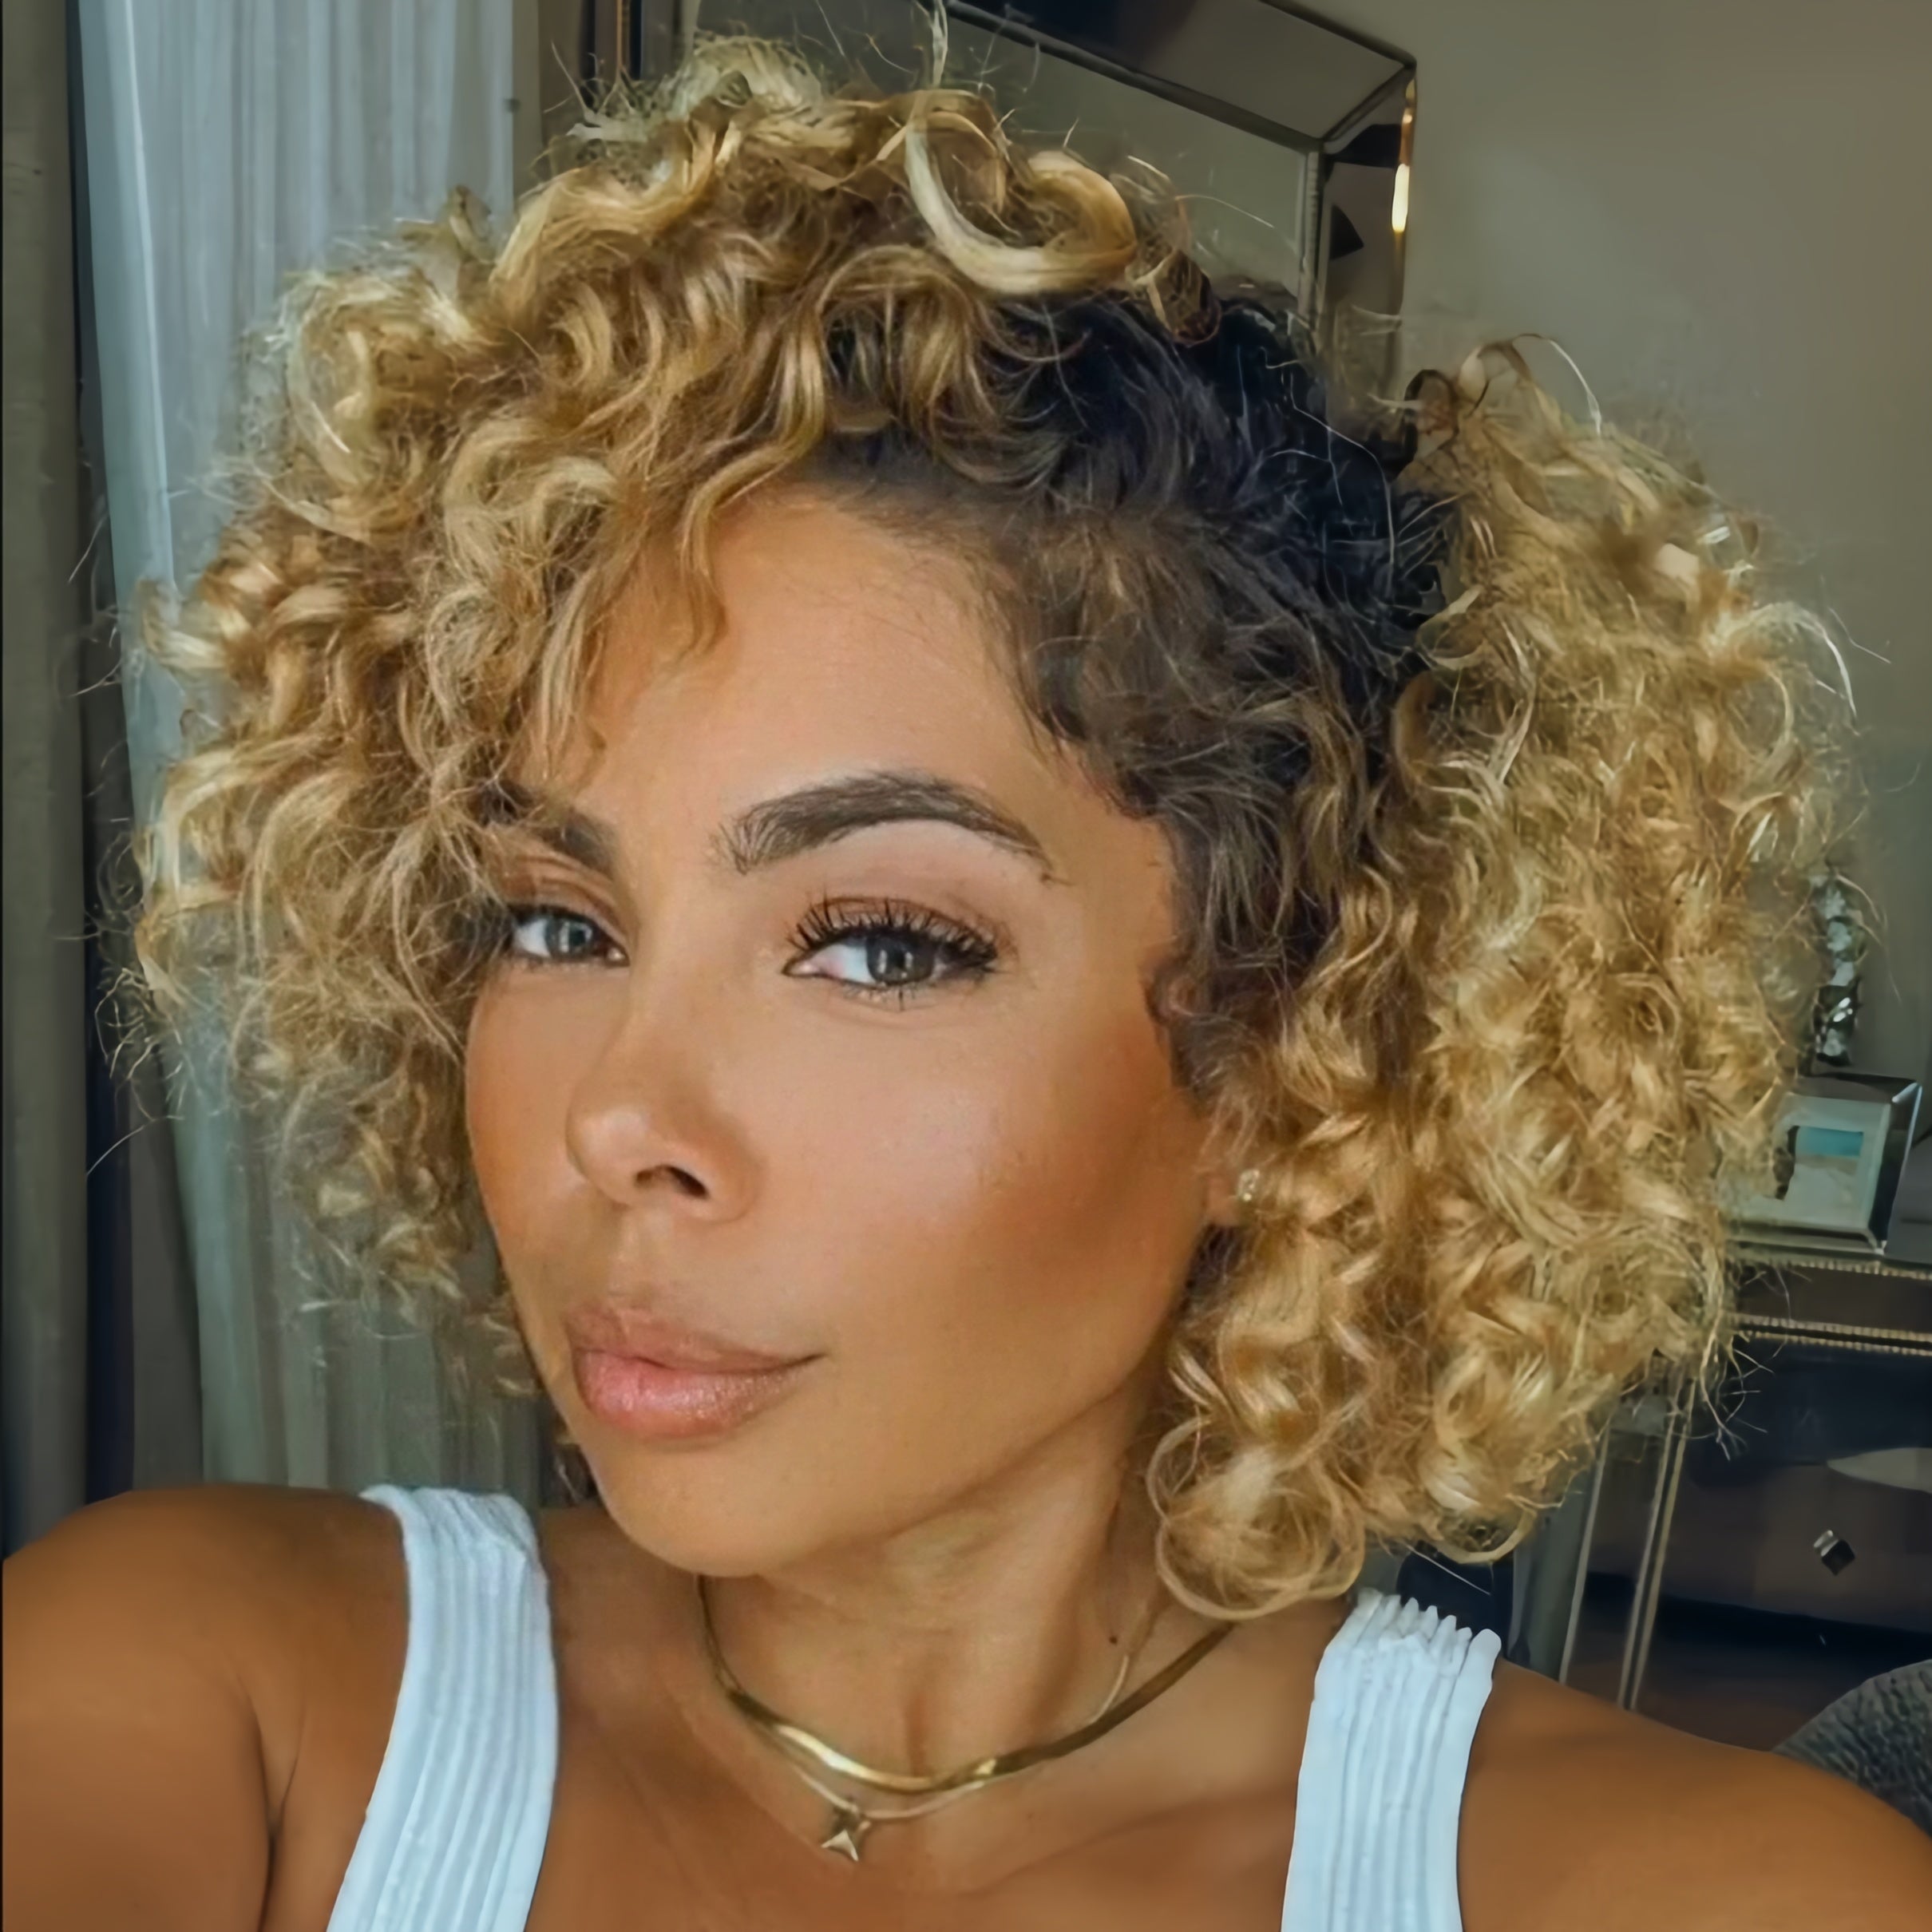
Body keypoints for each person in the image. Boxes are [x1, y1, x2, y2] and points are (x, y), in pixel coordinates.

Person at [5, 34, 1927, 1932]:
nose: (617, 1119)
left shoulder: (1721, 1893)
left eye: (879, 943)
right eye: (559, 924)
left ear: (1299, 1063)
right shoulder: (211, 1693)